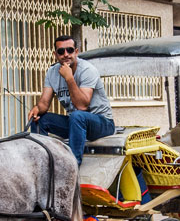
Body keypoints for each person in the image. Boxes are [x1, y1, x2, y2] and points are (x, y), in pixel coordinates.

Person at [28, 35, 115, 165]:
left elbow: (82, 106)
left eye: (69, 50)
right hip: (76, 123)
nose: (66, 54)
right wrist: (37, 109)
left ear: (76, 52)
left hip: (102, 123)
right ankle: (43, 163)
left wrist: (69, 78)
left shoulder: (87, 70)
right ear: (55, 54)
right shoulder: (52, 72)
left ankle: (73, 166)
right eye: (61, 51)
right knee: (40, 119)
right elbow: (44, 103)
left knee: (77, 116)